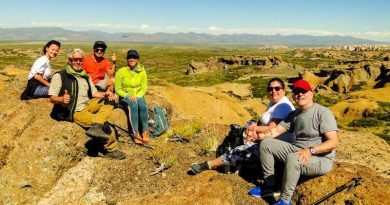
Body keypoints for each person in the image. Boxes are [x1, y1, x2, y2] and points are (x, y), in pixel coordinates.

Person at [247, 79, 339, 205]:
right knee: (266, 144)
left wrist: (311, 150)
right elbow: (274, 132)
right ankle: (270, 186)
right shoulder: (294, 114)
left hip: (320, 158)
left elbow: (333, 142)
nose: (300, 94)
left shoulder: (323, 113)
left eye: (303, 91)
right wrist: (257, 137)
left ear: (311, 94)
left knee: (293, 158)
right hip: (298, 150)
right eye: (296, 92)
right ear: (293, 96)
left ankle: (285, 200)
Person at [190, 78, 295, 174]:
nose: (273, 91)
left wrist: (254, 130)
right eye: (270, 89)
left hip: (275, 143)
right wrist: (254, 125)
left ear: (284, 90)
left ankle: (209, 164)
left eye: (277, 88)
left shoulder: (283, 106)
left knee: (241, 149)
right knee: (245, 127)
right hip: (268, 138)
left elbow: (271, 129)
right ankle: (238, 161)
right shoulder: (274, 102)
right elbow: (264, 120)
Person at [49, 48, 126, 160]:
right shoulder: (60, 75)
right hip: (75, 110)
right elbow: (52, 97)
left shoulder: (85, 76)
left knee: (110, 100)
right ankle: (110, 150)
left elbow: (94, 93)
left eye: (80, 60)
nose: (78, 62)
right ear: (69, 60)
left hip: (88, 104)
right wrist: (61, 99)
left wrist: (106, 94)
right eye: (75, 60)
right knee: (105, 126)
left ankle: (96, 124)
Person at [115, 49, 149, 144]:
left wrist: (137, 96)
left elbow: (143, 88)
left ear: (137, 59)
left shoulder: (142, 71)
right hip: (125, 97)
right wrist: (128, 96)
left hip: (138, 96)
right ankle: (135, 133)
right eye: (130, 57)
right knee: (133, 105)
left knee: (142, 104)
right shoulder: (121, 72)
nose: (132, 59)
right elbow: (117, 89)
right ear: (127, 59)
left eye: (134, 57)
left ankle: (145, 131)